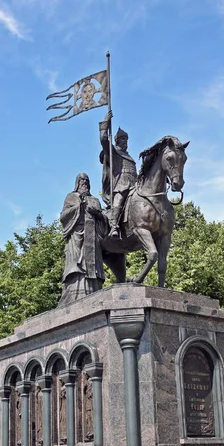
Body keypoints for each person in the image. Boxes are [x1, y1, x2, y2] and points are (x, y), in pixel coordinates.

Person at [58, 173, 106, 306]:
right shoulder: (71, 197)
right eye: (82, 180)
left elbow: (104, 219)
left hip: (93, 236)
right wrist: (79, 205)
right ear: (77, 182)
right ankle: (74, 294)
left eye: (87, 180)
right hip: (77, 235)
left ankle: (93, 291)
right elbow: (63, 217)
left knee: (93, 266)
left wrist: (97, 214)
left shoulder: (95, 200)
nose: (84, 182)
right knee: (77, 265)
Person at [99, 110, 137, 238]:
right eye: (122, 139)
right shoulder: (113, 152)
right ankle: (114, 226)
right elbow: (104, 139)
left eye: (126, 139)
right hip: (121, 184)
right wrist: (106, 122)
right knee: (119, 200)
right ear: (117, 141)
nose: (125, 141)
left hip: (135, 184)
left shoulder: (129, 156)